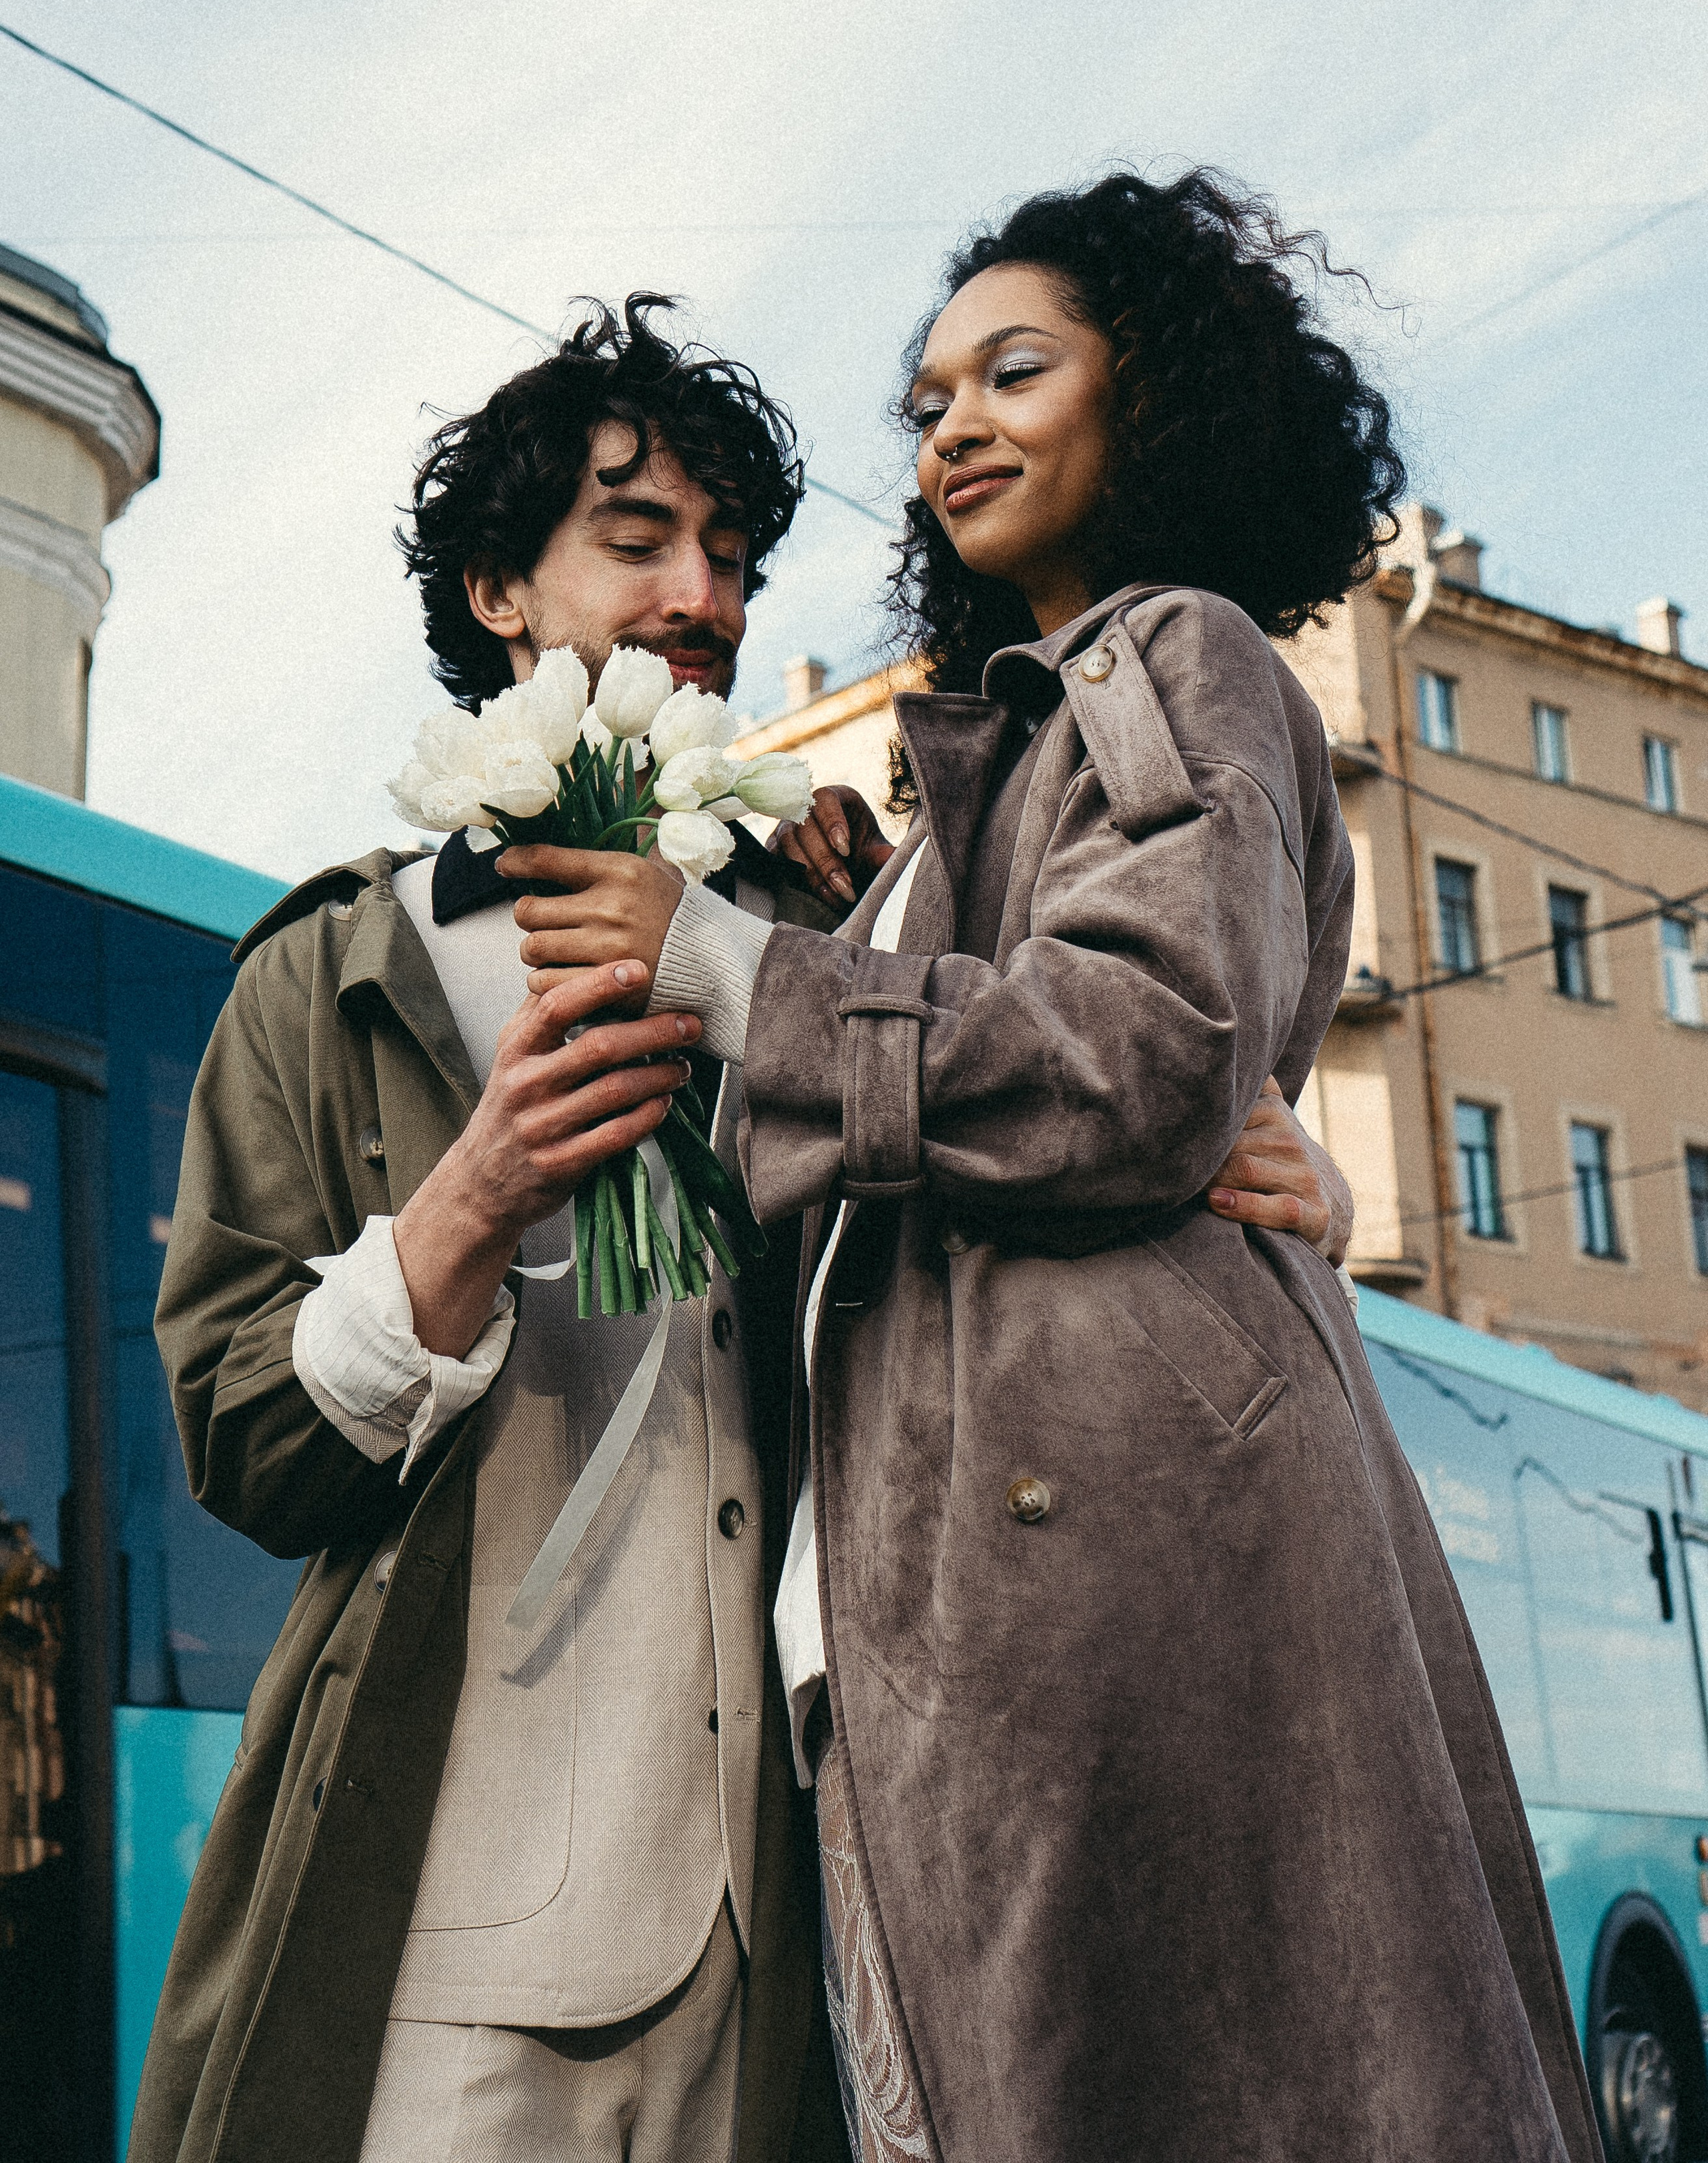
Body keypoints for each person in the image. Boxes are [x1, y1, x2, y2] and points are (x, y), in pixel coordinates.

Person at [134, 291, 1348, 2163]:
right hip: (443, 1940)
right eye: (639, 541)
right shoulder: (330, 975)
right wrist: (477, 1193)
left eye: (732, 554)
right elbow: (242, 1443)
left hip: (802, 1949)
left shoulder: (842, 934)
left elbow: (1072, 1108)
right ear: (495, 593)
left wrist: (1277, 1196)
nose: (701, 596)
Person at [552, 177, 1603, 2162]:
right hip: (953, 1591)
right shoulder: (1010, 751)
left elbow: (1138, 1050)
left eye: (1015, 371)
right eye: (929, 399)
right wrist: (838, 930)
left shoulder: (1171, 655)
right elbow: (1085, 1068)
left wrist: (725, 971)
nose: (954, 425)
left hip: (1089, 1573)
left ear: (1156, 401)